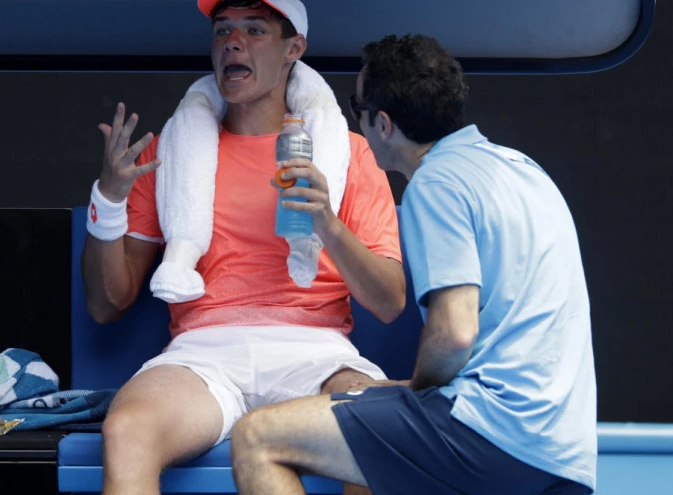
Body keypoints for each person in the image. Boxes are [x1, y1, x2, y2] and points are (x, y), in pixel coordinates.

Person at [230, 34, 597, 495]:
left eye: (357, 108)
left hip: (490, 433)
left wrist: (415, 389)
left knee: (258, 436)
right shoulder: (523, 168)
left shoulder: (435, 182)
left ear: (383, 124)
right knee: (367, 422)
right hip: (566, 453)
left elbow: (454, 333)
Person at [80, 0, 406, 493]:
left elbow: (389, 302)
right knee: (127, 429)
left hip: (317, 353)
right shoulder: (169, 152)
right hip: (203, 357)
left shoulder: (348, 152)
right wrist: (109, 200)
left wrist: (326, 220)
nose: (233, 42)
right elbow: (106, 305)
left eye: (255, 30)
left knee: (374, 424)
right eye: (223, 31)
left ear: (293, 49)